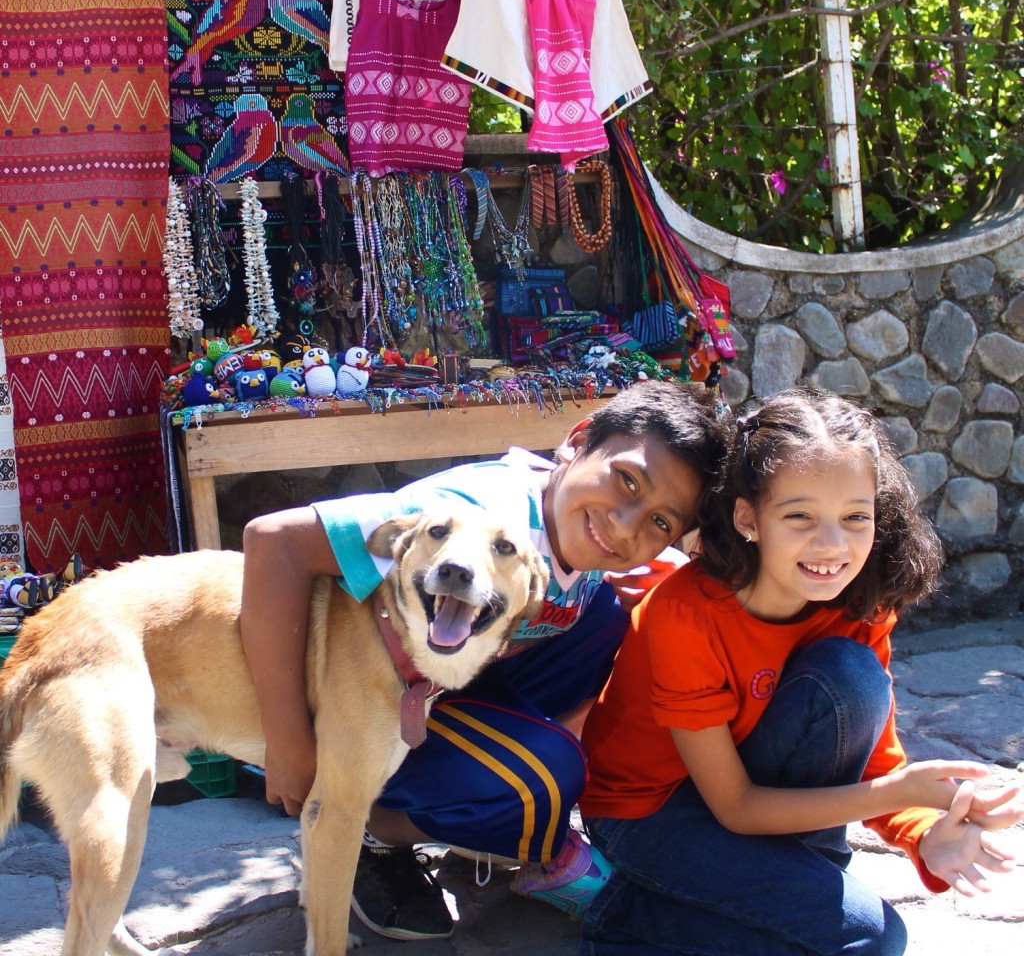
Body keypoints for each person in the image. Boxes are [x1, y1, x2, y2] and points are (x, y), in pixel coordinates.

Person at [239, 379, 734, 941]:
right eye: (625, 481)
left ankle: (491, 787)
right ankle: (369, 826)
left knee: (613, 617)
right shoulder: (475, 514)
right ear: (575, 442)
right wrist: (289, 740)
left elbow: (640, 563)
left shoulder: (578, 524)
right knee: (545, 777)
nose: (626, 524)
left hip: (441, 678)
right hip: (356, 709)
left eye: (660, 522)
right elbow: (273, 540)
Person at [579, 387, 1024, 956]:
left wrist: (922, 832)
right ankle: (630, 916)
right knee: (874, 939)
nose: (832, 544)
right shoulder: (684, 615)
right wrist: (893, 794)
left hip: (749, 786)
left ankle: (785, 880)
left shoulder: (860, 602)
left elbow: (874, 753)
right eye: (800, 516)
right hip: (646, 812)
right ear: (748, 517)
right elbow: (735, 806)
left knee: (851, 674)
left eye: (855, 517)